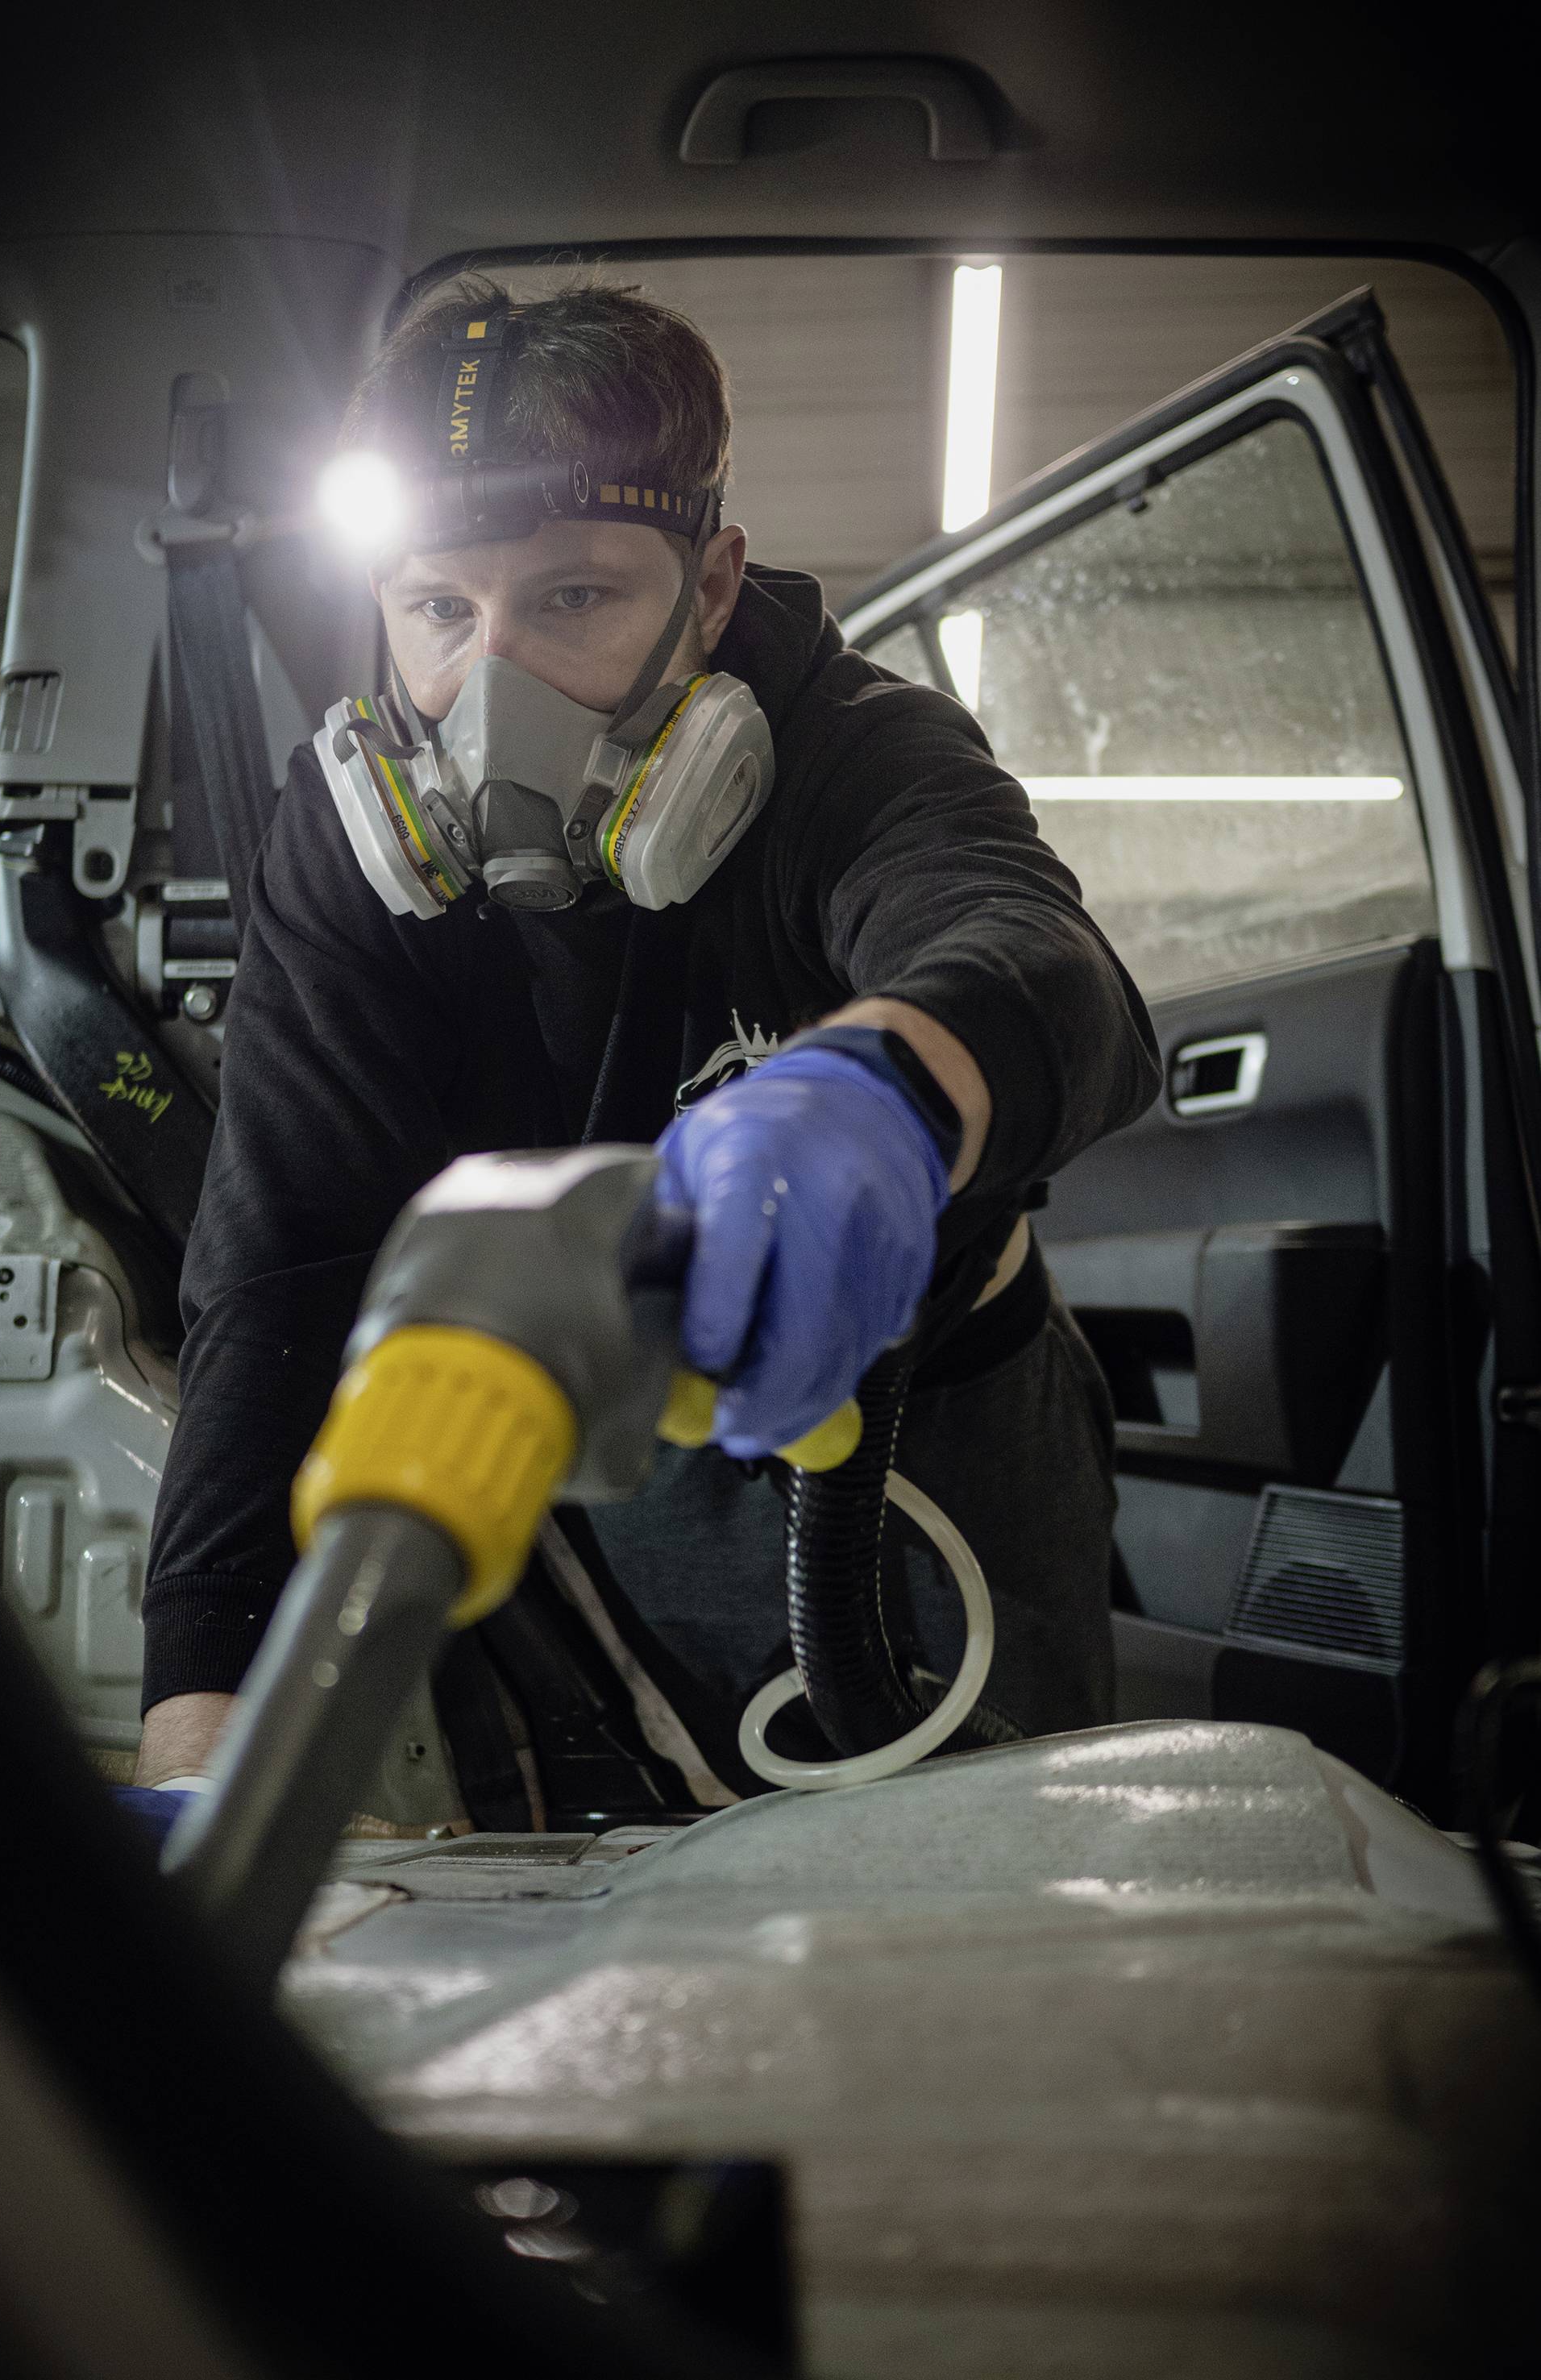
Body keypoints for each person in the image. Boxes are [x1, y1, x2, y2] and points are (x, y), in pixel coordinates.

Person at [135, 275, 1161, 1811]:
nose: (494, 689)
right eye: (439, 611)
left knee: (988, 1870)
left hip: (934, 1414)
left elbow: (1047, 964)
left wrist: (874, 1091)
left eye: (573, 598)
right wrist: (196, 1739)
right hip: (621, 1426)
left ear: (715, 580)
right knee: (702, 1859)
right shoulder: (340, 846)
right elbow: (282, 1265)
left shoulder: (855, 748)